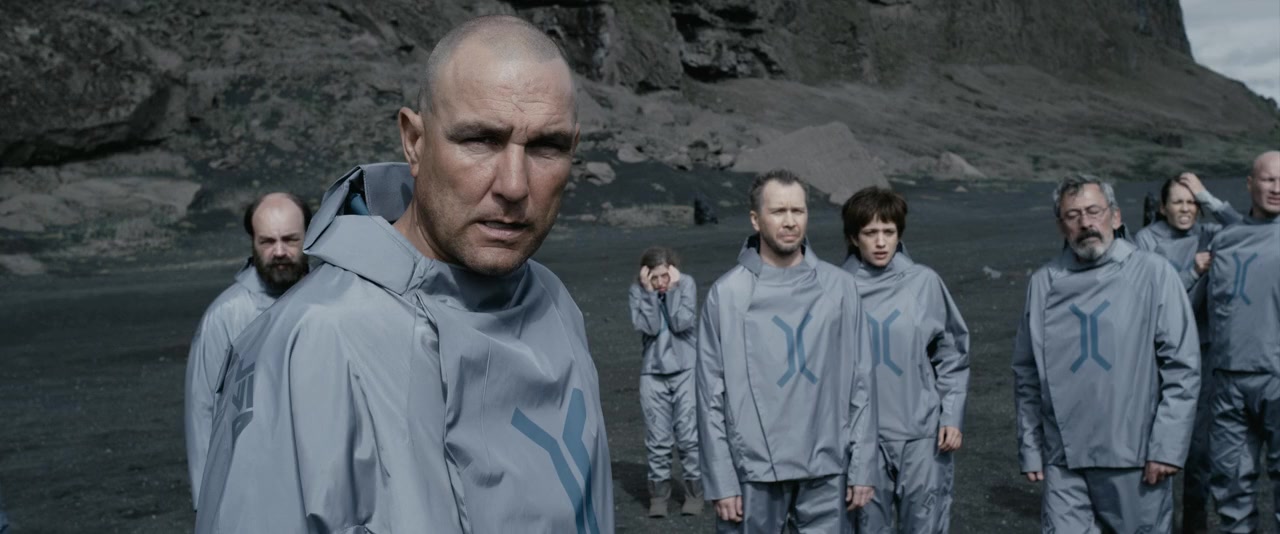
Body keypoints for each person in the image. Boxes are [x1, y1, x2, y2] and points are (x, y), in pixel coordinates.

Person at [194, 15, 613, 533]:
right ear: (414, 140)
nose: (513, 185)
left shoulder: (555, 304)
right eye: (480, 139)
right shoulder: (311, 340)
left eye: (546, 147)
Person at [1012, 173, 1200, 533]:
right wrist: (1031, 447)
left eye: (1094, 211)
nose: (1086, 223)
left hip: (1135, 456)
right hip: (1064, 459)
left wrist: (1167, 447)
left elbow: (1182, 368)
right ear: (1061, 225)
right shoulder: (1043, 283)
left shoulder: (1153, 273)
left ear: (1114, 216)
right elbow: (1026, 373)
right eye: (1073, 215)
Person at [697, 169, 877, 533]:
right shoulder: (728, 294)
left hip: (828, 468)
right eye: (779, 211)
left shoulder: (840, 288)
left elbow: (861, 382)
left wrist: (863, 467)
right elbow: (709, 395)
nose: (790, 221)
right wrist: (722, 479)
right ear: (755, 219)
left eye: (798, 210)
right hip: (752, 472)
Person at [840, 187, 970, 533]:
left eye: (889, 231)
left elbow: (952, 353)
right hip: (862, 442)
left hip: (922, 435)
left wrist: (951, 414)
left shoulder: (924, 283)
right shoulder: (837, 290)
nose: (881, 242)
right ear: (853, 237)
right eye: (870, 232)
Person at [183, 192, 311, 507]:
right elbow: (202, 412)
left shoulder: (330, 301)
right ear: (253, 242)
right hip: (252, 493)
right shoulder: (225, 316)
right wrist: (207, 506)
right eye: (267, 241)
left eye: (290, 240)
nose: (279, 252)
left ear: (309, 237)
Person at [1132, 172, 1240, 533]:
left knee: (1199, 450)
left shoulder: (1208, 234)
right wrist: (1193, 271)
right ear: (1163, 207)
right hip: (1158, 354)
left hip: (1204, 352)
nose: (1186, 208)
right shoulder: (1146, 240)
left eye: (1192, 202)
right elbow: (1150, 300)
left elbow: (1248, 230)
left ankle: (1194, 526)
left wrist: (1207, 195)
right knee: (1153, 442)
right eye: (1178, 201)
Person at [1206, 150, 1280, 533]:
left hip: (1277, 378)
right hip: (1228, 384)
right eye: (1269, 179)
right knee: (1231, 487)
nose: (1277, 188)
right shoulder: (1224, 240)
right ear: (1250, 184)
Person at [628, 246, 702, 517]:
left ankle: (694, 494)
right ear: (646, 276)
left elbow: (681, 323)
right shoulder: (638, 291)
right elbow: (648, 327)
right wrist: (649, 294)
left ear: (673, 272)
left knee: (689, 438)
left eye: (664, 276)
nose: (660, 282)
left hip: (686, 371)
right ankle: (659, 497)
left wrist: (673, 291)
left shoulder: (686, 285)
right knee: (657, 440)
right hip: (653, 374)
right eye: (654, 277)